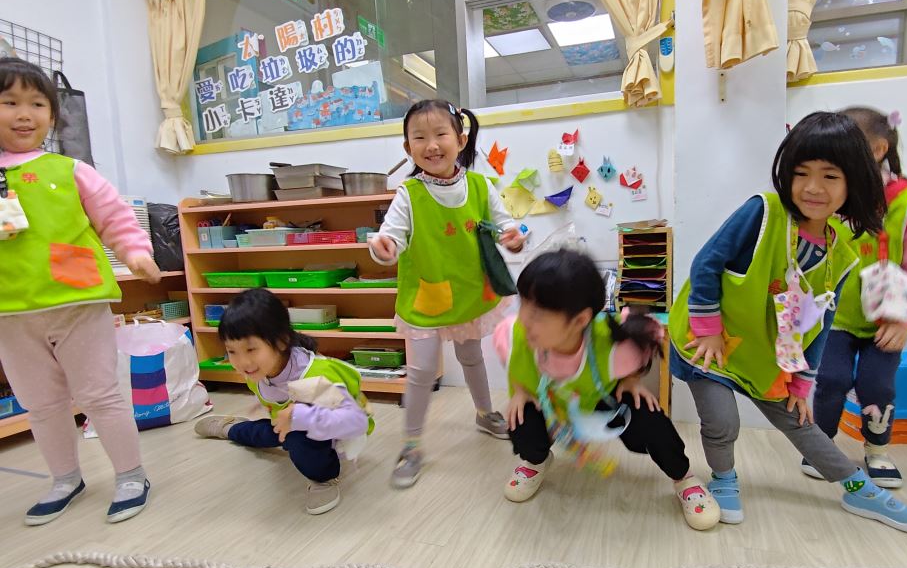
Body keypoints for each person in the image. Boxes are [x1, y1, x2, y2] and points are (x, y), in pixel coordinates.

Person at [668, 111, 907, 535]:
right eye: (801, 173)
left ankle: (858, 488)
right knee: (722, 421)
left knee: (800, 420)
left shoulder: (841, 255)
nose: (813, 187)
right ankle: (723, 477)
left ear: (853, 182)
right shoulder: (764, 210)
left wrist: (801, 383)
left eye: (830, 176)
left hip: (763, 354)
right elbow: (706, 263)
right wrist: (709, 329)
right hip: (709, 344)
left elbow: (821, 326)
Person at [0, 57, 160, 525]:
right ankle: (65, 478)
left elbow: (115, 217)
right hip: (10, 309)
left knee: (100, 394)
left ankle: (131, 475)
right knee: (40, 404)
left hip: (76, 299)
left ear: (53, 115)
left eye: (37, 104)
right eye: (9, 102)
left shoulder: (70, 169)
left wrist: (135, 252)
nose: (24, 114)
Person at [495, 249, 721, 531]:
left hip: (600, 400)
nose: (525, 319)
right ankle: (536, 461)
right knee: (519, 420)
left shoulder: (609, 341)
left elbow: (648, 336)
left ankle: (684, 478)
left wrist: (631, 381)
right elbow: (513, 361)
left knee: (651, 419)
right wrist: (519, 391)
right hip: (551, 404)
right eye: (524, 305)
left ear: (580, 320)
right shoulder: (515, 333)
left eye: (539, 313)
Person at [368, 99, 525, 489]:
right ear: (408, 148)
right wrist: (383, 248)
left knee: (471, 356)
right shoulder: (408, 193)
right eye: (419, 138)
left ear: (460, 140)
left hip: (470, 293)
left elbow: (508, 225)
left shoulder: (481, 185)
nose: (432, 145)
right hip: (425, 299)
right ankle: (411, 445)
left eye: (440, 134)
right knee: (421, 372)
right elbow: (391, 237)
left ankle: (484, 414)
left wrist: (514, 237)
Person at [808, 107, 907, 488]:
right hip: (836, 315)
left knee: (877, 386)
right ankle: (822, 448)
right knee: (830, 379)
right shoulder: (830, 197)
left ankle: (877, 450)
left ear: (879, 149)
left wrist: (905, 317)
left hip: (888, 316)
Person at [194, 289, 372, 515]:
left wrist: (300, 416)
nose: (242, 361)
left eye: (251, 349)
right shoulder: (260, 369)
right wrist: (274, 407)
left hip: (336, 434)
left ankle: (323, 478)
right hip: (289, 423)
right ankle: (230, 428)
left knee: (297, 438)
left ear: (281, 341)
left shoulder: (314, 376)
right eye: (232, 351)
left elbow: (357, 422)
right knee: (264, 432)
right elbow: (279, 400)